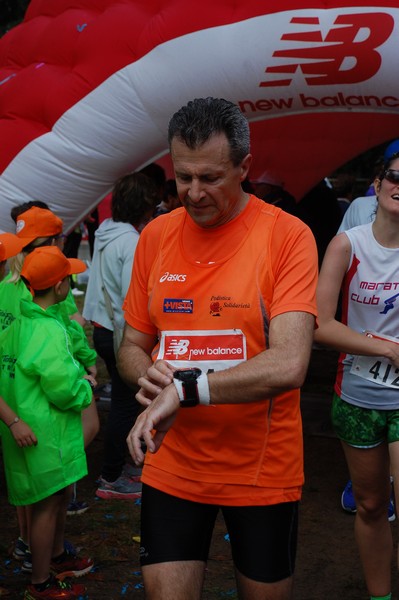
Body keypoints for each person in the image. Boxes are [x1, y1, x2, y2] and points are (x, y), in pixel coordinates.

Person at [118, 97, 318, 600]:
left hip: (261, 469)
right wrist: (148, 375)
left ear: (245, 167)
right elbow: (132, 344)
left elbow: (290, 363)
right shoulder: (156, 236)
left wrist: (185, 390)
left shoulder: (287, 236)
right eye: (183, 177)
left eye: (210, 177)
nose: (193, 193)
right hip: (173, 462)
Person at [314, 152, 399, 600]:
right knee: (370, 505)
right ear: (378, 182)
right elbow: (321, 323)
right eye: (395, 176)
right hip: (356, 396)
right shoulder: (348, 244)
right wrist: (386, 349)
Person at [1, 205, 99, 571]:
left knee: (29, 483)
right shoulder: (42, 306)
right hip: (44, 408)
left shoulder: (8, 289)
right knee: (50, 487)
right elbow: (65, 342)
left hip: (14, 400)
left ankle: (31, 545)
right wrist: (87, 373)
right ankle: (47, 555)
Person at [83, 171, 158, 500]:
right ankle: (112, 477)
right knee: (127, 405)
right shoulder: (131, 241)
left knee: (125, 402)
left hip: (102, 328)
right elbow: (135, 295)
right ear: (144, 204)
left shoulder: (106, 232)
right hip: (119, 333)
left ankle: (119, 467)